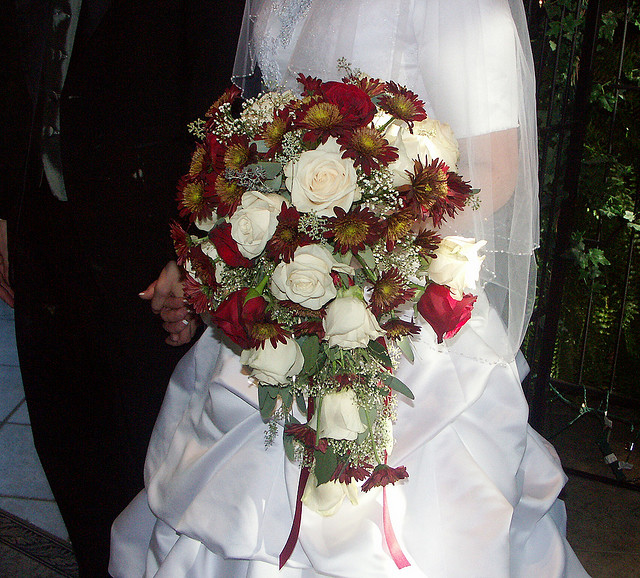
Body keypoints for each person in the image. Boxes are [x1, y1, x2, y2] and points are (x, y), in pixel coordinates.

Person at [110, 0, 590, 576]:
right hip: (281, 292)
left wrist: (353, 250)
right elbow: (266, 138)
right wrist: (215, 257)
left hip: (395, 314)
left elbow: (493, 172)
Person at [0, 1, 244, 576]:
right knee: (64, 443)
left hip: (147, 246)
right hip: (42, 224)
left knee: (146, 467)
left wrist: (190, 246)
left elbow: (221, 94)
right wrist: (6, 209)